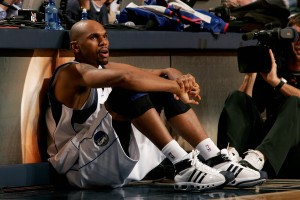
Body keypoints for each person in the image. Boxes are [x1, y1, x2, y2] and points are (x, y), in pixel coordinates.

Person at [45, 19, 266, 190]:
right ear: (76, 47)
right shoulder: (70, 73)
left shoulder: (106, 68)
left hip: (106, 158)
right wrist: (174, 87)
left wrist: (180, 81)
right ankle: (183, 165)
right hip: (77, 167)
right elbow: (126, 80)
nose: (104, 41)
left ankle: (215, 158)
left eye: (105, 36)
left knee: (158, 84)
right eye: (94, 37)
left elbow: (165, 73)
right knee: (131, 88)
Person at [217, 13, 300, 178]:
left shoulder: (275, 78)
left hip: (294, 153)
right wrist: (252, 72)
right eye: (296, 36)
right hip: (266, 148)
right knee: (237, 98)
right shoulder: (276, 67)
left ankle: (257, 160)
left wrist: (277, 83)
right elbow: (245, 108)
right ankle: (231, 160)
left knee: (294, 102)